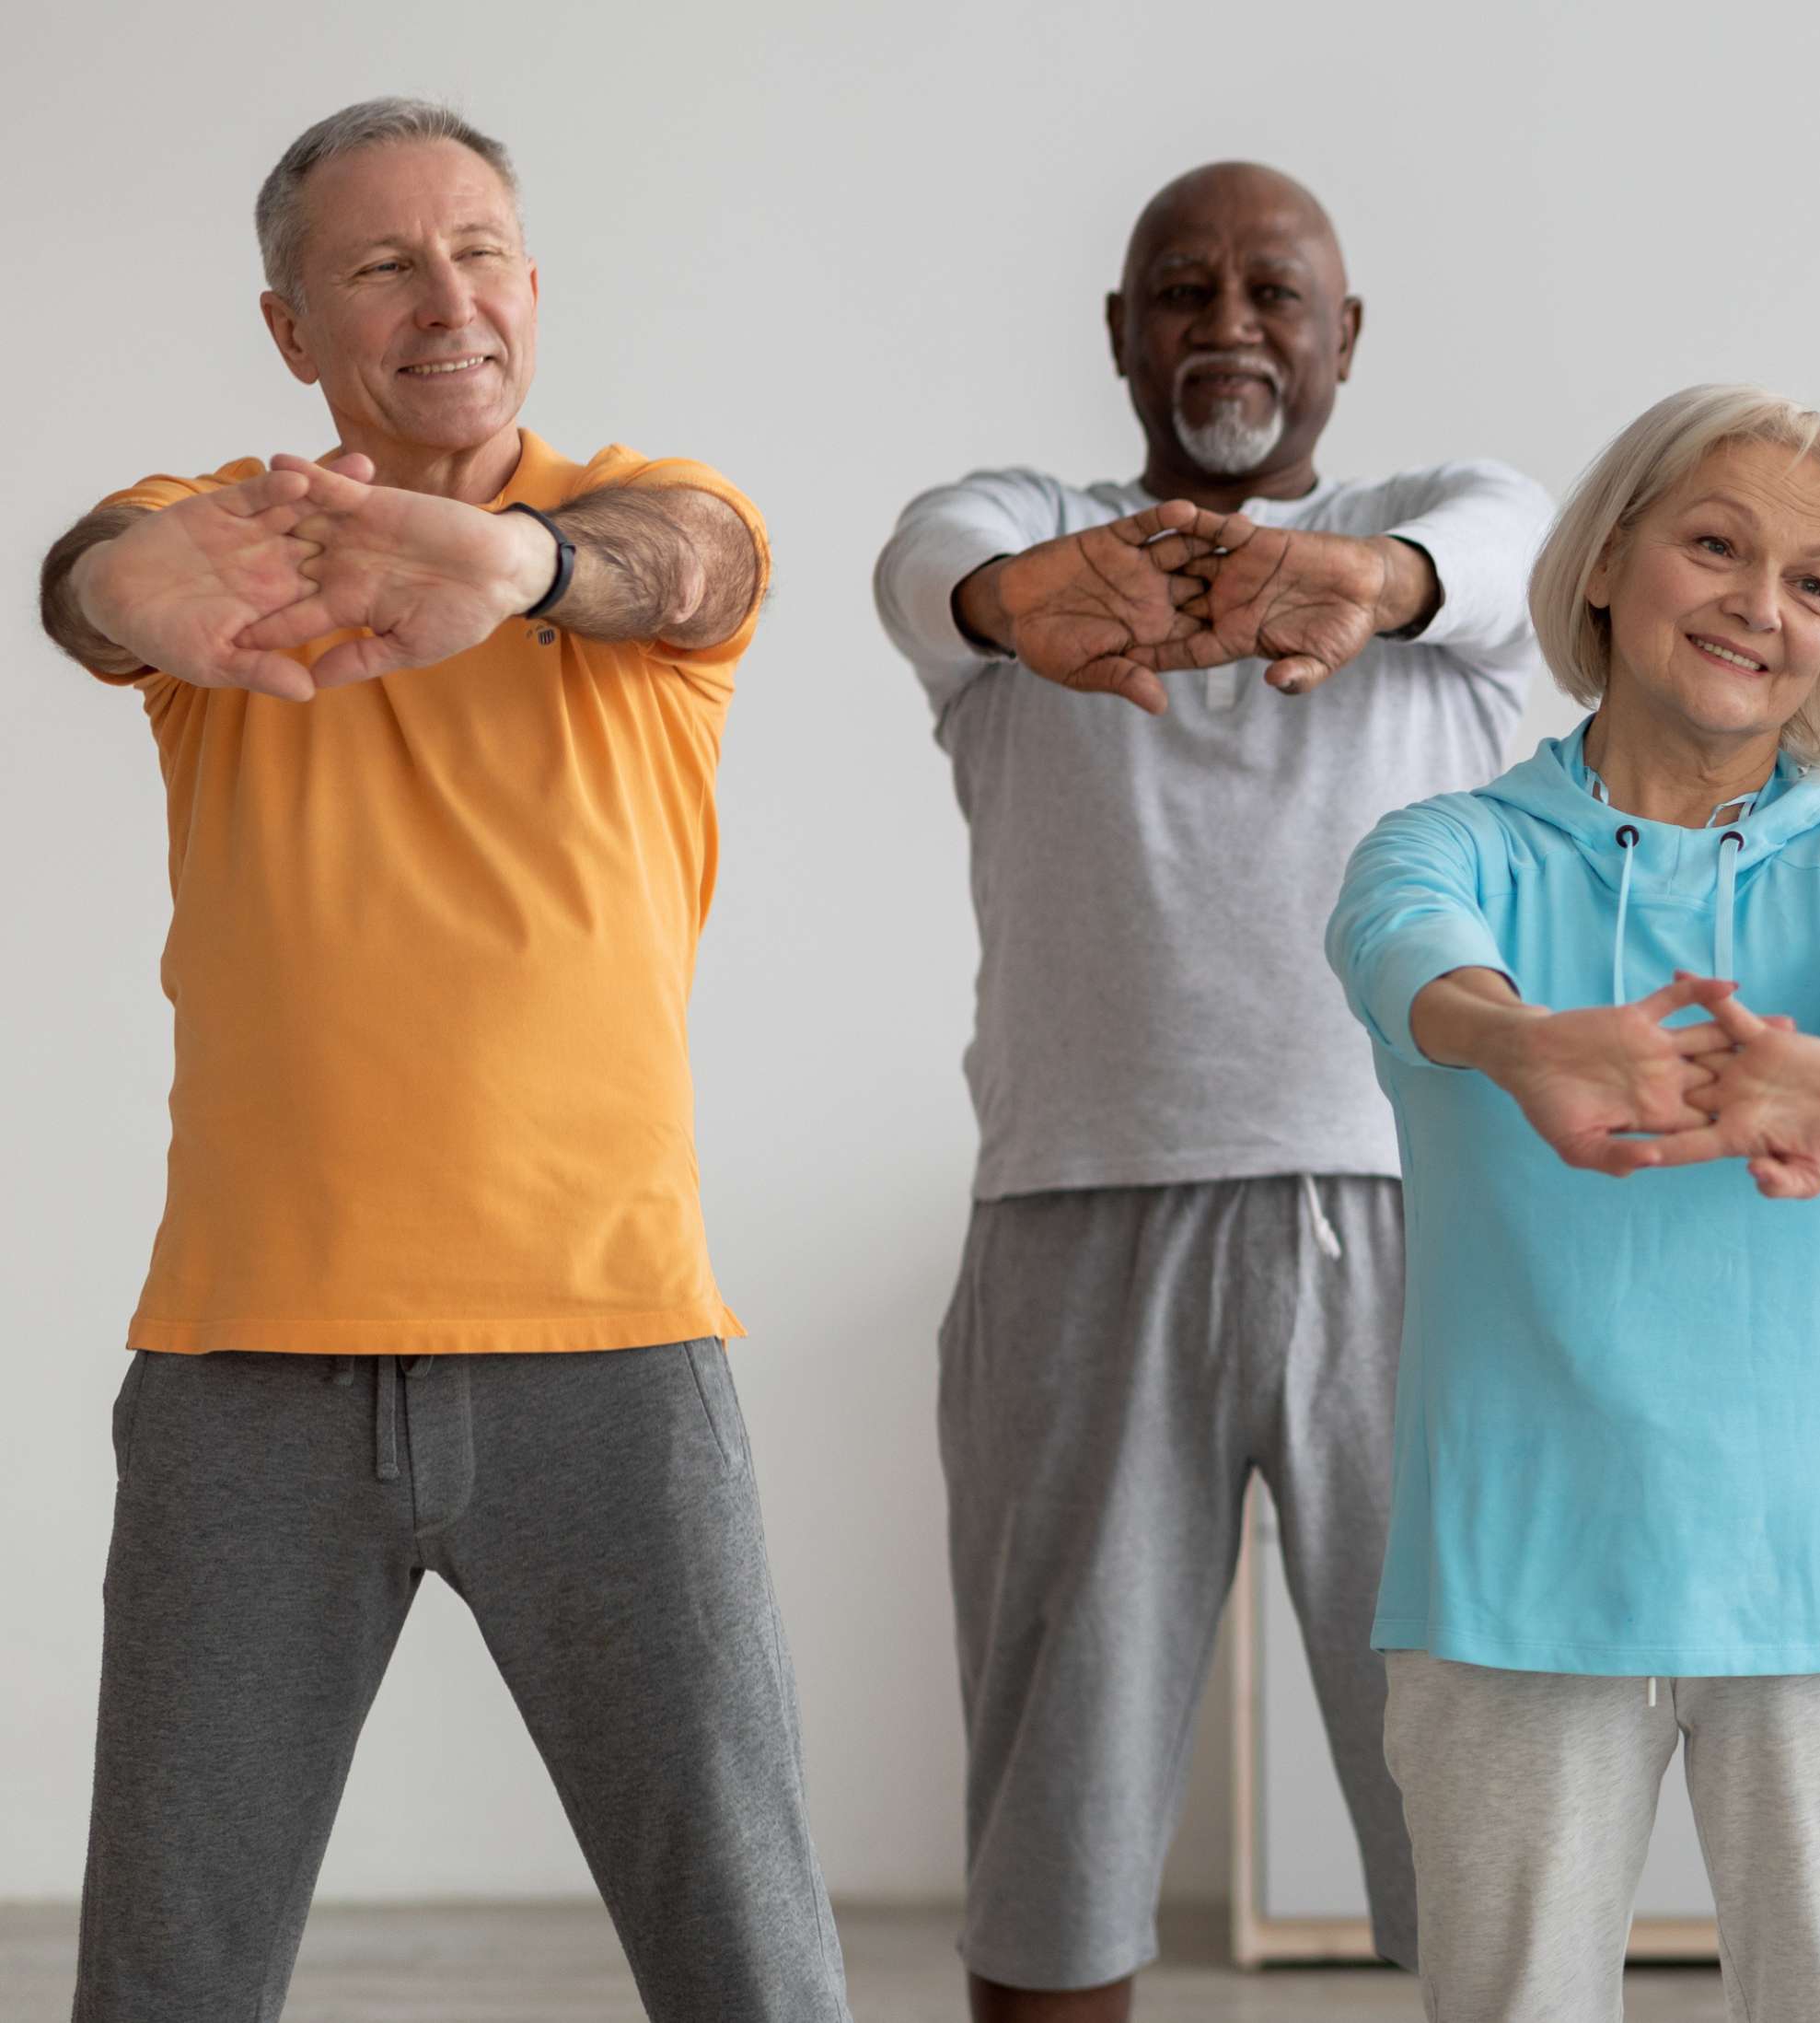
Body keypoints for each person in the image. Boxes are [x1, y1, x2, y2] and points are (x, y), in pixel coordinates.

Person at [32, 98, 841, 2020]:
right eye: (380, 264)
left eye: (477, 250)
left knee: (751, 1961)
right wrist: (102, 589)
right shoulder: (243, 549)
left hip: (609, 1356)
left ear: (535, 290)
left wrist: (514, 566)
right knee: (167, 1968)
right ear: (291, 327)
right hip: (248, 1368)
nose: (444, 296)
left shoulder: (639, 533)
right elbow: (104, 569)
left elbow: (695, 560)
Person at [871, 162, 1549, 2016]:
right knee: (1057, 1833)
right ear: (1118, 333)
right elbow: (920, 557)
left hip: (1422, 1237)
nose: (1228, 322)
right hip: (1081, 1223)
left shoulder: (1438, 548)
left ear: (1345, 338)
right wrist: (1027, 597)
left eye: (1273, 290)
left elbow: (1515, 548)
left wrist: (1362, 580)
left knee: (1487, 1809)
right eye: (1182, 289)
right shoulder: (1022, 545)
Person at [1326, 384, 1820, 2023]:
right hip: (1519, 1574)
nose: (1762, 605)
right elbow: (1406, 950)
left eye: (1816, 581)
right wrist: (1524, 1040)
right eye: (1718, 543)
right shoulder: (1455, 846)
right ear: (1614, 557)